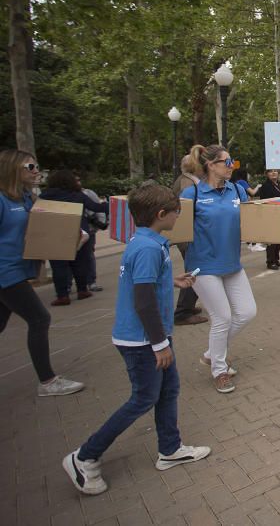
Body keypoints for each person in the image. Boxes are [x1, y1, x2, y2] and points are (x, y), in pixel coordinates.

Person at [62, 183, 210, 495]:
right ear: (161, 214)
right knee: (143, 398)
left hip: (151, 337)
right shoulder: (146, 248)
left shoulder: (150, 241)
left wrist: (173, 281)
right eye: (175, 213)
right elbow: (142, 301)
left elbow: (146, 285)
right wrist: (158, 344)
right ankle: (85, 456)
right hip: (143, 341)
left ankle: (170, 449)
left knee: (169, 390)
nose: (178, 217)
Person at [0, 150, 85, 397]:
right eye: (30, 166)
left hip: (17, 270)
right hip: (6, 272)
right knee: (39, 319)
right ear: (12, 168)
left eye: (37, 166)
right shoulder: (3, 201)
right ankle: (47, 381)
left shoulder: (25, 199)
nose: (36, 171)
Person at [180, 145, 256, 394]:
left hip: (232, 263)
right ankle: (219, 370)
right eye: (227, 161)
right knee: (222, 317)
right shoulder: (194, 194)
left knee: (247, 312)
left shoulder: (236, 189)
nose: (231, 165)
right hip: (203, 266)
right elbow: (178, 229)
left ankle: (211, 354)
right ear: (211, 165)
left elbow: (254, 216)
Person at [40, 170, 109, 306]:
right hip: (78, 233)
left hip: (55, 234)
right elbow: (95, 207)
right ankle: (82, 290)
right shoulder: (77, 195)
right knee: (80, 263)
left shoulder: (45, 196)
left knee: (58, 266)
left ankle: (62, 295)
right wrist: (111, 204)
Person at [170, 155, 207, 326]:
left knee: (195, 269)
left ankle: (187, 307)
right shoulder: (187, 183)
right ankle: (183, 311)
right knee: (196, 270)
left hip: (189, 235)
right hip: (189, 236)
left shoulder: (188, 180)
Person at [257, 169, 280, 270]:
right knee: (272, 240)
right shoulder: (265, 186)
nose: (274, 173)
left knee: (279, 239)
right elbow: (264, 202)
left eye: (276, 171)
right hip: (270, 216)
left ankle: (276, 260)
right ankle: (270, 262)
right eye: (271, 171)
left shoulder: (279, 184)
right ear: (266, 174)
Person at [81, 181, 107, 292]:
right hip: (71, 230)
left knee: (88, 255)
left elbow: (96, 206)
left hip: (88, 230)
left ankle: (91, 281)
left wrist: (101, 222)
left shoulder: (87, 193)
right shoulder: (60, 196)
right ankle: (70, 285)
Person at [232, 169, 264, 252]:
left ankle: (250, 243)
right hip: (244, 206)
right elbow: (252, 192)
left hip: (235, 206)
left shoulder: (233, 183)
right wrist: (258, 186)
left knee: (243, 225)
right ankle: (254, 244)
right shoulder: (242, 182)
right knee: (251, 224)